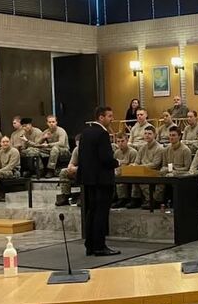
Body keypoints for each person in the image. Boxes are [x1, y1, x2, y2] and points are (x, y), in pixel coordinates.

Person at [77, 106, 119, 257]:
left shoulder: (85, 132)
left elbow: (82, 156)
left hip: (89, 179)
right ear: (101, 117)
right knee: (101, 213)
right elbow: (105, 158)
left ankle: (90, 245)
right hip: (102, 180)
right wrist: (117, 162)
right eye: (109, 116)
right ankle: (100, 246)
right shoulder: (102, 133)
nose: (112, 119)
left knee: (91, 212)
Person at [152, 126, 193, 207]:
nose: (171, 137)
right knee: (161, 173)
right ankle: (158, 200)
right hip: (169, 171)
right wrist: (166, 169)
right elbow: (164, 165)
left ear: (179, 136)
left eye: (174, 135)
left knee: (170, 174)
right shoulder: (166, 149)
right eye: (170, 135)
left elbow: (187, 168)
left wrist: (174, 170)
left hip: (182, 172)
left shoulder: (185, 150)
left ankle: (173, 200)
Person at [129, 126, 164, 210]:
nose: (147, 135)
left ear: (154, 135)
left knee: (142, 175)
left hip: (155, 171)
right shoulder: (142, 148)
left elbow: (155, 164)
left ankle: (150, 200)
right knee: (134, 173)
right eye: (145, 133)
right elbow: (137, 161)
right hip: (142, 170)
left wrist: (140, 167)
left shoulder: (159, 148)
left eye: (149, 134)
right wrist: (134, 165)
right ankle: (135, 199)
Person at [111, 132, 137, 209]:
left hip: (130, 173)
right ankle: (114, 197)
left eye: (122, 141)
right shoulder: (116, 153)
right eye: (118, 141)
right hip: (118, 173)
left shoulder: (133, 152)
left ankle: (124, 199)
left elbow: (134, 166)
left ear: (127, 141)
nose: (120, 143)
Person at [55, 134, 81, 207]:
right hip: (78, 171)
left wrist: (76, 168)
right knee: (64, 172)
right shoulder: (76, 149)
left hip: (88, 172)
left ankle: (83, 196)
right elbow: (72, 163)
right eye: (77, 144)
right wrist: (70, 167)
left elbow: (90, 166)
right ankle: (65, 196)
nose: (79, 146)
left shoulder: (91, 150)